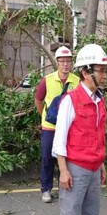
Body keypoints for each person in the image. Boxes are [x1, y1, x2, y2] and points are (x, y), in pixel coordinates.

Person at [52, 44, 107, 215]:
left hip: (93, 167)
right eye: (101, 70)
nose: (104, 75)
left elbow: (99, 135)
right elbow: (59, 139)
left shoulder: (99, 100)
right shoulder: (71, 100)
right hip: (75, 169)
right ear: (86, 72)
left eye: (105, 70)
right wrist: (63, 170)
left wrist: (102, 164)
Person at [35, 46, 80, 203]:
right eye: (62, 61)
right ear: (57, 62)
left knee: (69, 158)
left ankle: (66, 188)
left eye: (68, 61)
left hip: (70, 127)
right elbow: (38, 100)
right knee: (47, 157)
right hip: (50, 127)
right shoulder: (47, 80)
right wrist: (45, 116)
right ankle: (46, 189)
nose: (65, 65)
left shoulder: (77, 81)